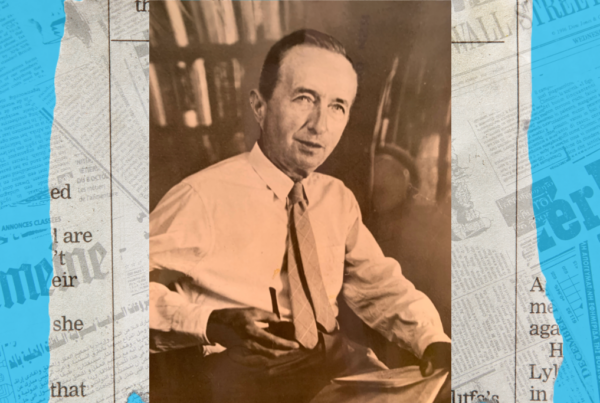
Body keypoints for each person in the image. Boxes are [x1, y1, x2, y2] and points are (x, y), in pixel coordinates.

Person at [149, 29, 450, 403]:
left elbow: (379, 284)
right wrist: (208, 321)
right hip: (246, 376)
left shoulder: (335, 197)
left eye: (337, 106)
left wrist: (432, 339)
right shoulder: (201, 197)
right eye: (304, 98)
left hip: (335, 364)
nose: (319, 125)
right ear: (260, 106)